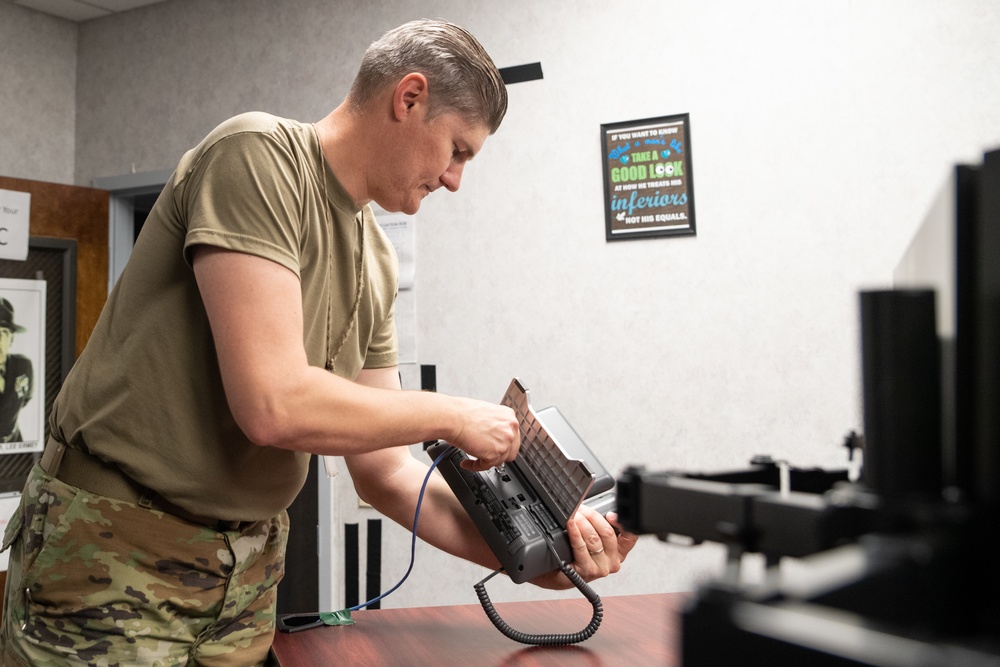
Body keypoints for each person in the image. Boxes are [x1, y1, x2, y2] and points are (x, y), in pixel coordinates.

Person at [0, 19, 637, 666]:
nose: (454, 179)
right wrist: (456, 415)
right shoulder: (258, 156)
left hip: (243, 577)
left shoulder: (377, 259)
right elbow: (273, 402)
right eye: (458, 149)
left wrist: (542, 561)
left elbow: (386, 472)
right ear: (409, 97)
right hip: (112, 548)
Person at [0, 297, 33, 444]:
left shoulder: (23, 366)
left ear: (12, 338)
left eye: (4, 333)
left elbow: (26, 398)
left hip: (15, 447)